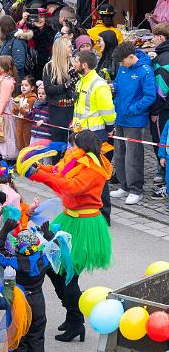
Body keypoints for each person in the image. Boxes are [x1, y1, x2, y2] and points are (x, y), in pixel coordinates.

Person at [19, 129, 112, 342]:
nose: (70, 148)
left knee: (69, 275)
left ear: (83, 147)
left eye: (73, 145)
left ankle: (76, 321)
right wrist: (39, 168)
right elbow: (58, 171)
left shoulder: (93, 168)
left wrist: (39, 175)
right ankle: (72, 315)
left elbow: (70, 187)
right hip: (69, 218)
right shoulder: (76, 159)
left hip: (84, 225)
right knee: (53, 267)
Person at [0, 220, 53, 352]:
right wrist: (50, 236)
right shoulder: (44, 260)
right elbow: (56, 251)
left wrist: (4, 231)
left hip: (19, 301)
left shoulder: (12, 261)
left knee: (19, 338)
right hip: (38, 300)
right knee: (37, 338)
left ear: (17, 246)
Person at [109, 43, 156, 205]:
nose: (121, 65)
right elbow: (119, 85)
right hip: (120, 117)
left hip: (134, 120)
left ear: (131, 57)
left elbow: (150, 96)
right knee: (120, 153)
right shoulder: (123, 68)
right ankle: (124, 185)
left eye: (122, 62)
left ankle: (136, 189)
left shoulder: (145, 71)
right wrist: (112, 87)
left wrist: (133, 109)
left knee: (133, 155)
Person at [72, 50, 115, 223]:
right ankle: (88, 208)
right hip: (82, 135)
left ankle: (104, 214)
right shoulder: (81, 82)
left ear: (84, 65)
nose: (73, 64)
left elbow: (108, 111)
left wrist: (110, 127)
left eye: (76, 61)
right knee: (83, 172)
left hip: (95, 136)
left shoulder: (99, 84)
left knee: (98, 174)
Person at [42, 37, 76, 156]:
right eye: (69, 46)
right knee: (58, 143)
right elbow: (48, 89)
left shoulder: (75, 64)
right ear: (61, 49)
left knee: (73, 143)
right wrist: (65, 86)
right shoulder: (49, 67)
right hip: (57, 110)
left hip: (73, 108)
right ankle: (56, 169)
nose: (72, 48)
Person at [150, 24, 169, 196]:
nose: (152, 39)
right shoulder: (162, 56)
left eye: (154, 36)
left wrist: (154, 111)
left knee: (161, 143)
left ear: (161, 38)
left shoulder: (163, 59)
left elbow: (161, 90)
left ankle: (162, 179)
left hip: (163, 110)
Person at [0, 15, 28, 80]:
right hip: (6, 77)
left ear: (4, 27)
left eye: (0, 26)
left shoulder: (17, 41)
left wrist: (8, 74)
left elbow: (19, 64)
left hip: (15, 79)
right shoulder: (8, 39)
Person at [13, 75, 37, 150]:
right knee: (19, 143)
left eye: (26, 85)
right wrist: (15, 107)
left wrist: (19, 108)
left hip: (28, 124)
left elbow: (28, 114)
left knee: (27, 144)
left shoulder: (32, 99)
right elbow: (14, 111)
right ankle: (21, 160)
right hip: (20, 123)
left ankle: (27, 160)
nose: (23, 87)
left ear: (32, 88)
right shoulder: (19, 97)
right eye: (22, 85)